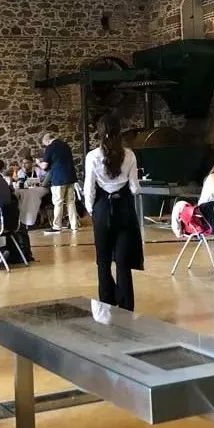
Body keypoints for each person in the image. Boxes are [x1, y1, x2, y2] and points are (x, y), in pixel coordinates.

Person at [83, 114, 142, 311]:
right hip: (124, 207)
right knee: (123, 261)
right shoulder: (130, 155)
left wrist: (92, 209)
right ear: (119, 131)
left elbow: (89, 188)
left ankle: (106, 303)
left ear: (100, 133)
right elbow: (134, 188)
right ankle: (126, 307)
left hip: (101, 208)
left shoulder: (92, 156)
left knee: (103, 260)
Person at [39, 132, 79, 232]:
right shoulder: (66, 145)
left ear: (47, 141)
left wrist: (38, 163)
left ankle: (57, 226)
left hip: (58, 178)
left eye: (45, 144)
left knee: (58, 202)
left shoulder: (50, 147)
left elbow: (44, 166)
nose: (45, 146)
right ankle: (74, 225)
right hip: (70, 177)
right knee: (71, 202)